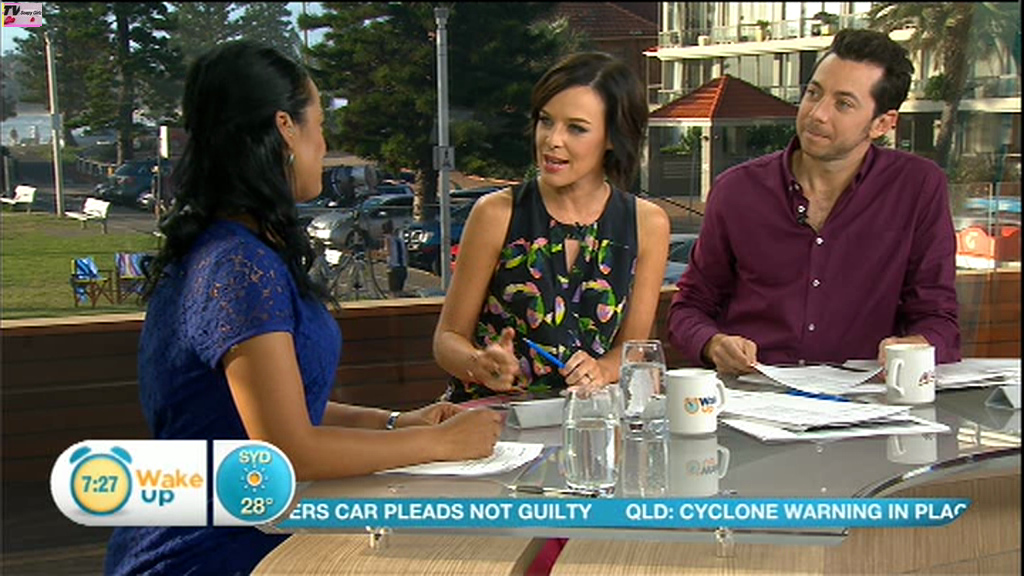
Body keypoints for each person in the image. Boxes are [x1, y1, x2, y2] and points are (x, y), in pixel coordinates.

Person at [104, 41, 502, 576]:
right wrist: (437, 443)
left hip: (258, 534)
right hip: (208, 554)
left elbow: (274, 408)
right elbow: (286, 449)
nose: (325, 143)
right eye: (320, 124)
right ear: (286, 128)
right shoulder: (236, 266)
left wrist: (393, 423)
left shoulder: (232, 248)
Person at [667, 29, 961, 375]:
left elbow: (938, 318)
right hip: (756, 391)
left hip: (864, 396)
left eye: (843, 104)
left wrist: (917, 345)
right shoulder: (737, 190)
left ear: (882, 123)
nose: (817, 113)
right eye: (813, 93)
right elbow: (689, 308)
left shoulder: (917, 186)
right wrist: (713, 344)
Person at [433, 52, 670, 402]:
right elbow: (447, 339)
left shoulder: (648, 224)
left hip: (591, 420)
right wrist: (478, 363)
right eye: (546, 121)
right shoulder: (495, 214)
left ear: (612, 137)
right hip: (491, 420)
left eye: (576, 128)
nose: (552, 140)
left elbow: (634, 349)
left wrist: (602, 370)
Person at [382, 218, 408, 296]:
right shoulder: (400, 240)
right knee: (399, 292)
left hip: (394, 268)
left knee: (393, 293)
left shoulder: (388, 239)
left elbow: (388, 253)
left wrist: (376, 254)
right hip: (403, 268)